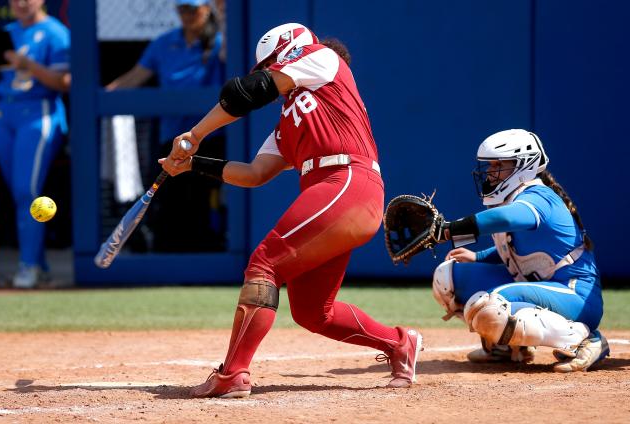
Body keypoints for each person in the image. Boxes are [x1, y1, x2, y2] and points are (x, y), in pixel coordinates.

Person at [160, 23, 423, 398]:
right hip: (333, 194)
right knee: (313, 311)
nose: (271, 75)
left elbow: (247, 92)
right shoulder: (289, 119)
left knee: (264, 264)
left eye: (272, 65)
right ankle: (400, 343)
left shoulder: (323, 59)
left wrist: (196, 133)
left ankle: (233, 372)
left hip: (347, 181)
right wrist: (194, 163)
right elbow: (255, 174)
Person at [430, 129, 607, 372]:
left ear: (523, 166)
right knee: (447, 277)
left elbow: (507, 218)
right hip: (535, 283)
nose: (491, 171)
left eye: (499, 164)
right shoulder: (511, 198)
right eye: (490, 165)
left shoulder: (539, 195)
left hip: (573, 294)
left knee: (487, 307)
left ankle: (585, 339)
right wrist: (477, 256)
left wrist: (452, 230)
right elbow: (513, 250)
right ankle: (506, 346)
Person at [107, 0, 226, 252]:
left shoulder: (218, 41)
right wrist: (104, 96)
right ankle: (171, 254)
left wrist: (224, 18)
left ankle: (205, 254)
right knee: (170, 198)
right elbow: (136, 76)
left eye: (193, 9)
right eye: (183, 9)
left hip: (210, 138)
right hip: (172, 136)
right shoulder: (163, 42)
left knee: (202, 197)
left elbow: (230, 58)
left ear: (207, 10)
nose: (187, 15)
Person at [0, 0, 70, 288]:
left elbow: (65, 81)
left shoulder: (56, 32)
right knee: (16, 193)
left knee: (28, 191)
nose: (22, 3)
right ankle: (40, 265)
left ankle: (29, 266)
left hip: (38, 114)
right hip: (4, 114)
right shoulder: (7, 31)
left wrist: (28, 65)